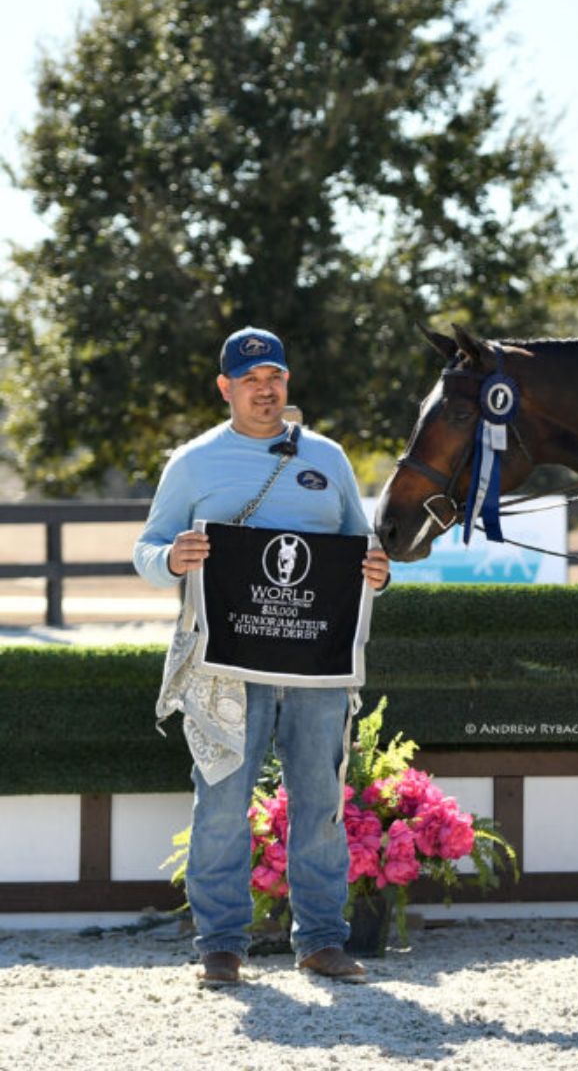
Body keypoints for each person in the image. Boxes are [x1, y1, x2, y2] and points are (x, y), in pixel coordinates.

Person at [134, 326, 390, 986]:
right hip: (224, 670)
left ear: (287, 382)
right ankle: (221, 945)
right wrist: (170, 559)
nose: (264, 389)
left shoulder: (328, 458)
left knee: (320, 801)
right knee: (219, 803)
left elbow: (358, 549)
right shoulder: (192, 462)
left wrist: (379, 571)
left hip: (316, 666)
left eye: (274, 376)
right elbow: (147, 550)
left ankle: (322, 943)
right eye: (250, 380)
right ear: (225, 387)